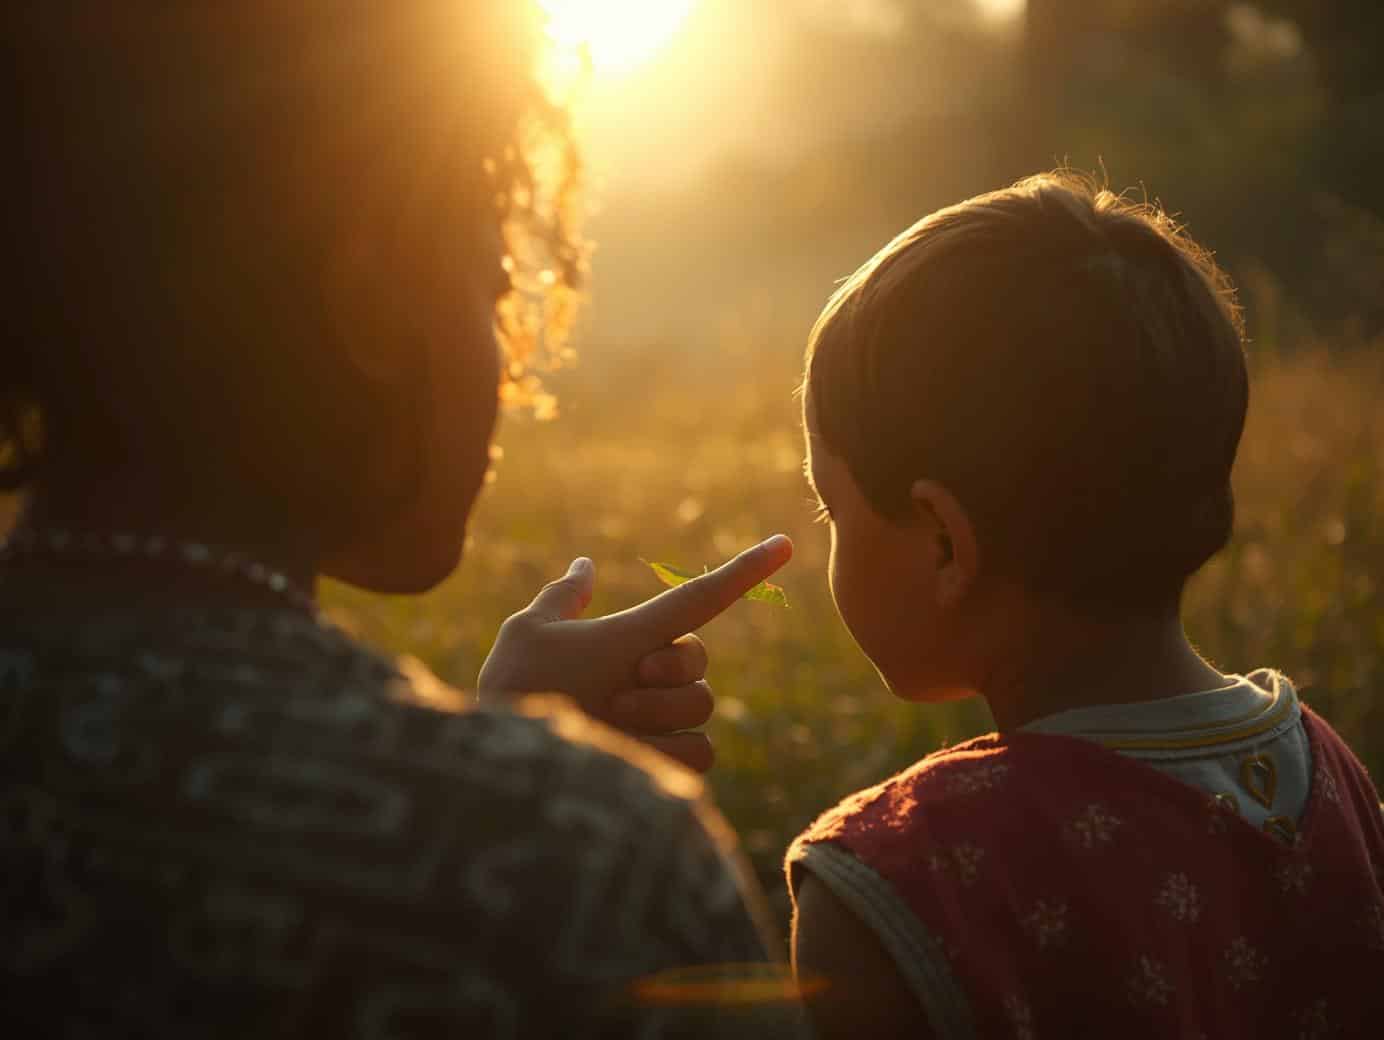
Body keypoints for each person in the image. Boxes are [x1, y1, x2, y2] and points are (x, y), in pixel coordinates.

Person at [0, 4, 805, 1035]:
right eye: (496, 278)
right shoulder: (582, 868)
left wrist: (495, 746)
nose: (510, 362)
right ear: (373, 297)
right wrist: (507, 790)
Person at [786, 172, 1384, 1037]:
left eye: (830, 510)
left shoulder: (897, 879)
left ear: (945, 543)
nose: (827, 540)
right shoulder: (1330, 777)